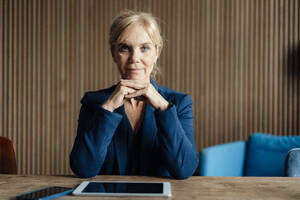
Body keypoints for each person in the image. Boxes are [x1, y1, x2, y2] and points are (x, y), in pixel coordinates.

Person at [69, 11, 199, 179]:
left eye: (144, 48)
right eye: (125, 48)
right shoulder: (94, 103)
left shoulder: (178, 103)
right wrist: (108, 107)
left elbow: (184, 170)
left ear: (156, 53)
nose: (134, 58)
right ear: (114, 54)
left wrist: (163, 108)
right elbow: (83, 169)